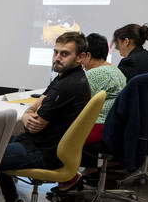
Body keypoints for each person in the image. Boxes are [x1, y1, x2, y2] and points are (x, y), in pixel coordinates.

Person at [0, 31, 91, 202]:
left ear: (81, 57)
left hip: (43, 151)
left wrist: (30, 115)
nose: (57, 57)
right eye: (56, 52)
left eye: (64, 54)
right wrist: (28, 112)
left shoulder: (69, 85)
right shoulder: (66, 78)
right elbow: (37, 104)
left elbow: (34, 124)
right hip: (39, 143)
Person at [53, 33, 125, 192]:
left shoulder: (94, 74)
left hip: (98, 125)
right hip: (112, 126)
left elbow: (70, 100)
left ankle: (70, 179)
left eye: (81, 55)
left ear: (88, 55)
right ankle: (83, 172)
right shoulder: (115, 71)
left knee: (56, 137)